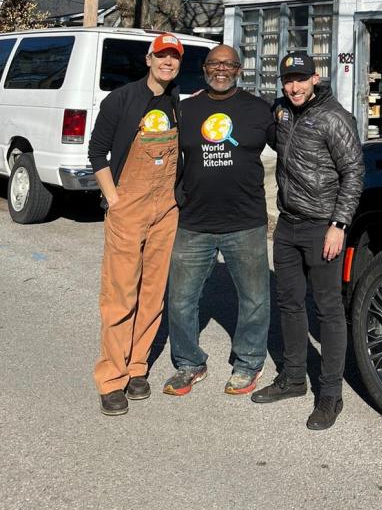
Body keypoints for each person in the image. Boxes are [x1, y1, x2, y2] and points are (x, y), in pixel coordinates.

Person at [252, 51, 364, 431]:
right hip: (287, 225)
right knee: (289, 302)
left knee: (328, 310)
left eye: (301, 79)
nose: (294, 86)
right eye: (288, 80)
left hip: (322, 227)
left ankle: (330, 394)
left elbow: (353, 172)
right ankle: (294, 376)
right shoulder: (282, 111)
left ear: (315, 78)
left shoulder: (335, 117)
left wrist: (339, 224)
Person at [163, 44, 275, 398]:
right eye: (214, 64)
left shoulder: (259, 109)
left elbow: (294, 148)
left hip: (245, 221)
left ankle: (248, 362)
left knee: (254, 299)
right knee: (180, 299)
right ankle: (189, 363)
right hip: (194, 221)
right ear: (205, 69)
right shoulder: (187, 109)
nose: (221, 69)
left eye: (228, 64)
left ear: (239, 70)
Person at [90, 32, 185, 416]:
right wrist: (114, 199)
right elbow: (97, 151)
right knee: (120, 294)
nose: (167, 62)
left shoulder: (178, 101)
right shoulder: (122, 99)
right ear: (149, 59)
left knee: (152, 292)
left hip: (165, 209)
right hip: (128, 206)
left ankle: (137, 367)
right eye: (161, 56)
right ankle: (111, 378)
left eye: (173, 57)